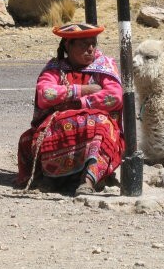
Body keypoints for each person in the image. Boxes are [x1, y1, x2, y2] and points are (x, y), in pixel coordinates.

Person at [16, 23, 125, 195]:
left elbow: (115, 96)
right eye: (83, 44)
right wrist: (83, 90)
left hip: (96, 124)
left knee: (102, 125)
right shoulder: (55, 69)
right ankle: (51, 178)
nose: (90, 49)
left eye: (93, 43)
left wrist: (76, 104)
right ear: (68, 45)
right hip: (58, 125)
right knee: (33, 138)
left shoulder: (104, 66)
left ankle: (88, 180)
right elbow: (46, 94)